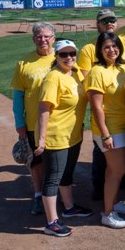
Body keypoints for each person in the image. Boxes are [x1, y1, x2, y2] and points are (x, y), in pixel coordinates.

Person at [78, 10, 125, 200]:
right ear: (97, 24)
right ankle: (100, 188)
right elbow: (85, 77)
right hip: (106, 114)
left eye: (112, 20)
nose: (109, 23)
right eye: (104, 20)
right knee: (103, 154)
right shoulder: (90, 49)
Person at [34, 40, 90, 237]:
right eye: (63, 54)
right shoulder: (53, 78)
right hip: (55, 136)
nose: (69, 58)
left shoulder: (74, 73)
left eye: (72, 53)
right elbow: (43, 109)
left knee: (66, 174)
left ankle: (69, 207)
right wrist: (41, 139)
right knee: (53, 177)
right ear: (55, 56)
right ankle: (51, 222)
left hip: (73, 135)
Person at [85, 32, 125, 229]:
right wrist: (105, 133)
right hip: (109, 128)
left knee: (113, 170)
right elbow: (97, 106)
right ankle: (107, 214)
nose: (111, 50)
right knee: (119, 170)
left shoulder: (121, 68)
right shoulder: (97, 71)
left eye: (114, 46)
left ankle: (113, 203)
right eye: (106, 47)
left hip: (123, 125)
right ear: (100, 50)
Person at [11, 21, 56, 215]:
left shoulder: (63, 57)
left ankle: (54, 195)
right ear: (33, 39)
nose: (43, 39)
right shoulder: (24, 63)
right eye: (39, 36)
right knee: (36, 162)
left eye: (46, 36)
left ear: (53, 39)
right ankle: (39, 196)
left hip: (59, 123)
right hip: (33, 124)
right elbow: (17, 97)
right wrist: (20, 124)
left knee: (56, 162)